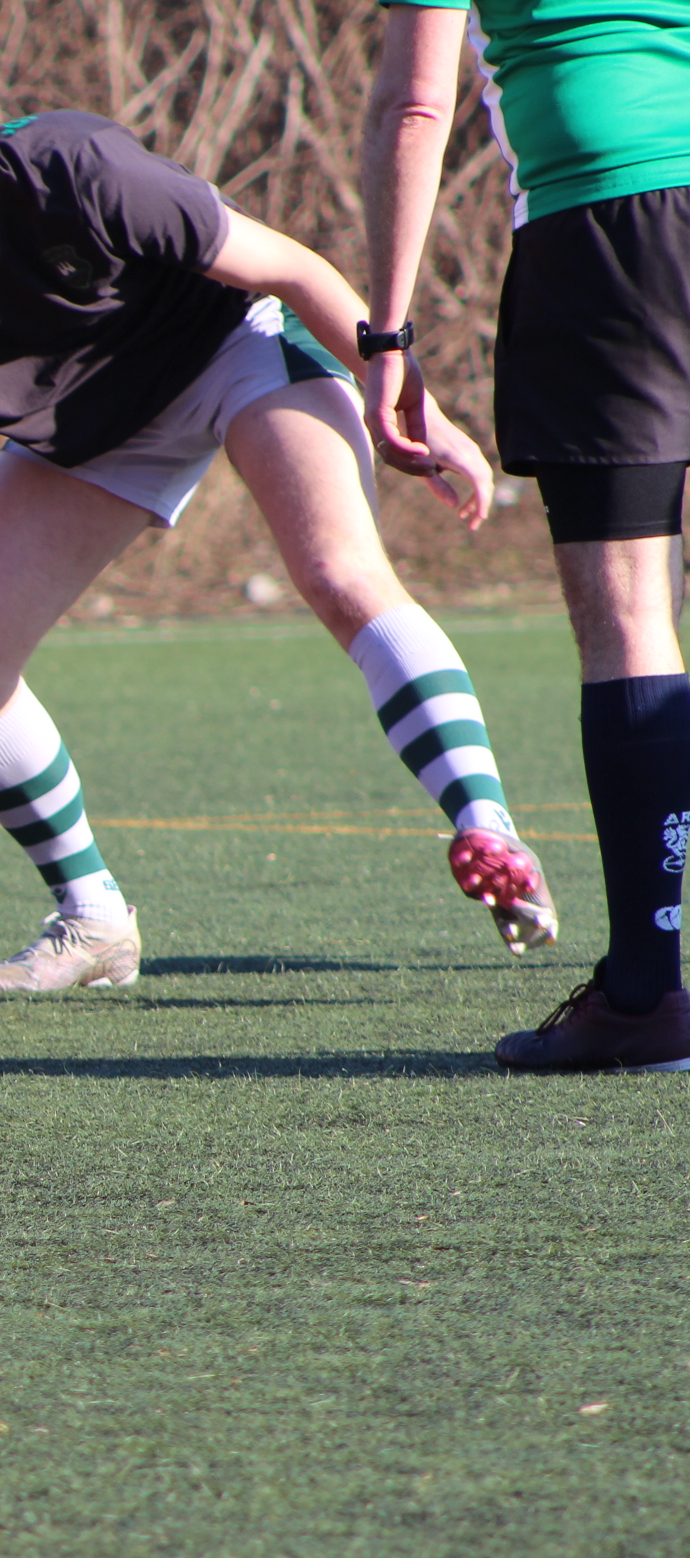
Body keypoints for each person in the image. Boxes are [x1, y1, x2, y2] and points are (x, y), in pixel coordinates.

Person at [0, 49, 556, 994]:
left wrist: (410, 401)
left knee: (341, 572)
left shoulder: (74, 169)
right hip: (93, 431)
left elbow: (294, 270)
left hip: (229, 349)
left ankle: (487, 829)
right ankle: (94, 919)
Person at [364, 3, 690, 1070]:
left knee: (632, 612)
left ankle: (644, 997)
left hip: (611, 223)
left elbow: (416, 104)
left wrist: (385, 336)